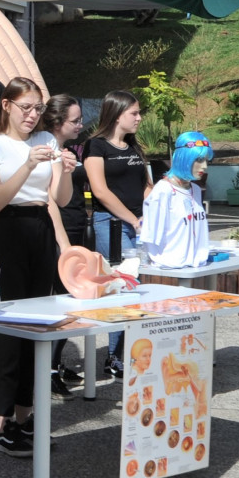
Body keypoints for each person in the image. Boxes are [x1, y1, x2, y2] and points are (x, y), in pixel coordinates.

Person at [0, 76, 76, 457]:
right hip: (6, 231)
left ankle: (25, 418)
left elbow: (60, 198)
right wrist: (25, 165)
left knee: (37, 324)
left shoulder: (46, 141)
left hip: (39, 228)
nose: (33, 115)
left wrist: (67, 169)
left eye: (38, 109)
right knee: (9, 329)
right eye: (26, 108)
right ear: (6, 105)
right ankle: (3, 424)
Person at [84, 90, 150, 376]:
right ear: (116, 113)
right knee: (122, 286)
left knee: (137, 289)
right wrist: (132, 219)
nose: (139, 117)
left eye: (139, 112)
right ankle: (113, 356)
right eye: (134, 113)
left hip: (138, 224)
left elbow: (147, 186)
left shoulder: (135, 147)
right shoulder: (95, 147)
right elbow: (100, 191)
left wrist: (149, 214)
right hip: (111, 223)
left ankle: (129, 351)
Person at [141, 131, 212, 269]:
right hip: (169, 267)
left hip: (198, 266)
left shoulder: (195, 190)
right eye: (198, 160)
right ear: (184, 158)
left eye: (206, 160)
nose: (204, 166)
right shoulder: (163, 191)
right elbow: (151, 236)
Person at [40, 94, 90, 248]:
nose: (80, 125)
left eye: (80, 120)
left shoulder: (70, 152)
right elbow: (50, 198)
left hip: (78, 224)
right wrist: (63, 243)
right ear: (57, 123)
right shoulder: (45, 152)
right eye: (75, 121)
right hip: (59, 228)